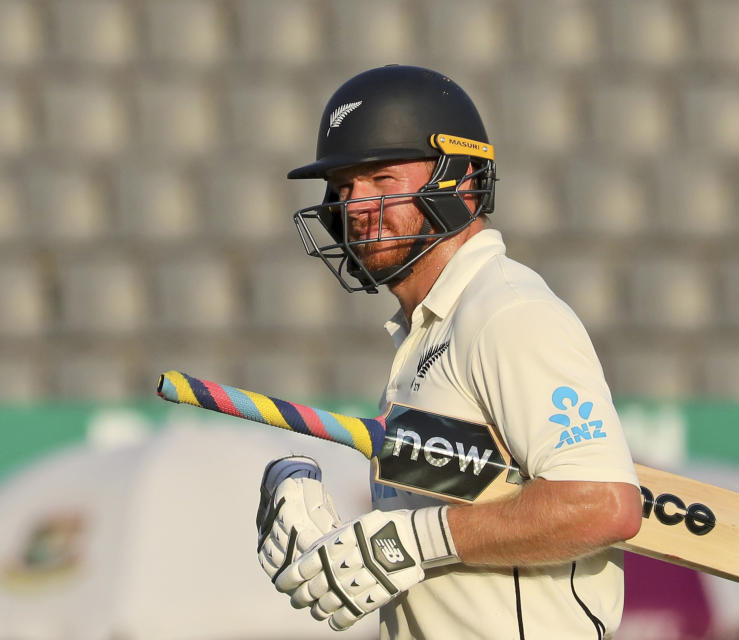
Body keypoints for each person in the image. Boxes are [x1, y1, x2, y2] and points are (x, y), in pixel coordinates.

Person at [256, 65, 643, 639]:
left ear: (460, 181)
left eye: (382, 180)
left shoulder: (507, 314)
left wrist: (408, 541)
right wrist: (341, 543)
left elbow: (602, 504)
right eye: (342, 188)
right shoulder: (426, 335)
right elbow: (476, 523)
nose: (355, 207)